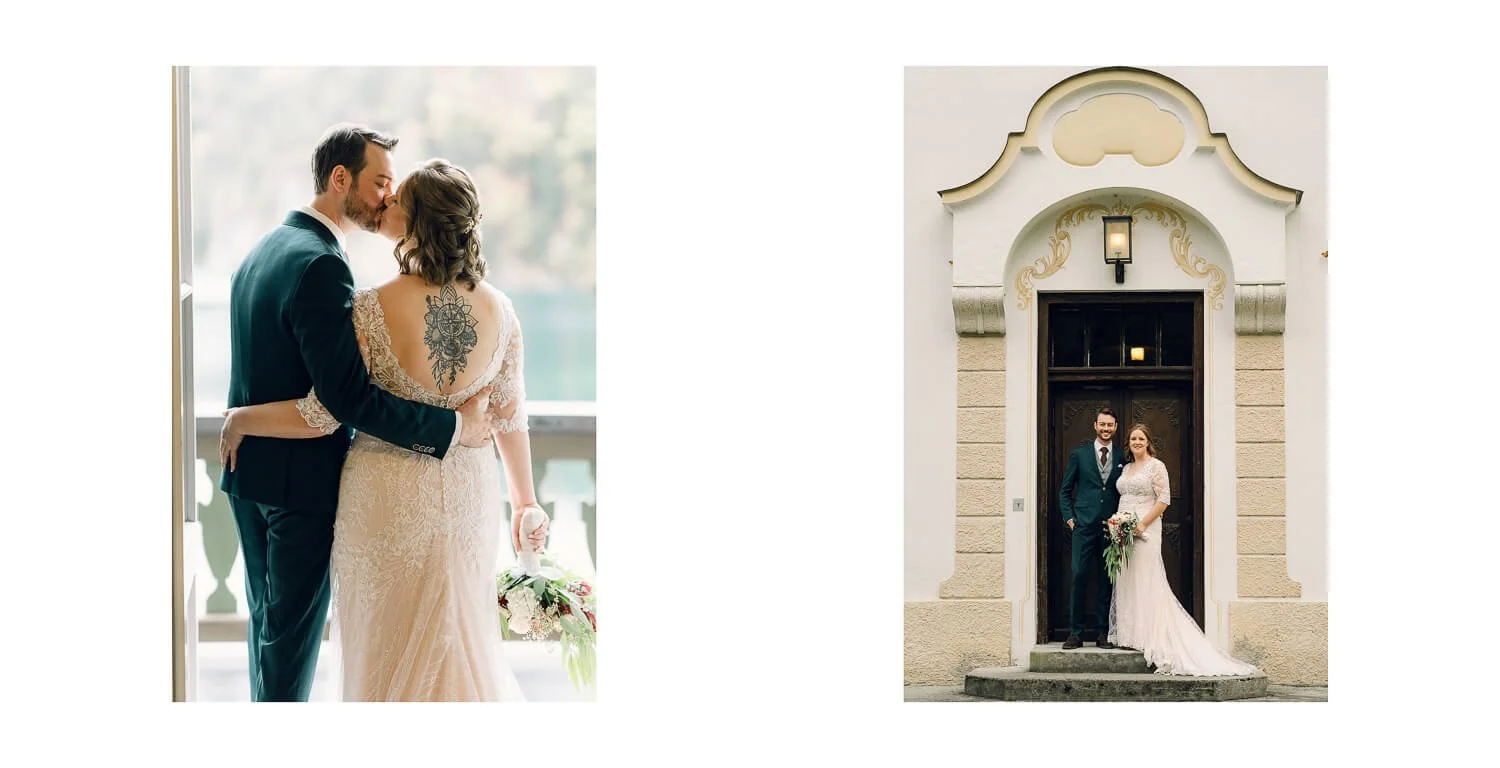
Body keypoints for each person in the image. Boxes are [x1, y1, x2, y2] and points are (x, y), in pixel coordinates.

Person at [218, 124, 500, 702]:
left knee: (269, 642)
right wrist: (453, 427)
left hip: (251, 476)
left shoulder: (266, 248)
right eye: (379, 183)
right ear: (340, 178)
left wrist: (241, 419)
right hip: (297, 488)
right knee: (288, 655)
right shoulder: (322, 264)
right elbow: (346, 399)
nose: (386, 198)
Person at [1108, 423, 1258, 676]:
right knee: (1128, 578)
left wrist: (1141, 524)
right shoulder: (1127, 468)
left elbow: (1164, 499)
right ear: (1129, 443)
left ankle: (1150, 634)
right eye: (1133, 438)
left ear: (1148, 441)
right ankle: (1130, 633)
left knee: (1147, 579)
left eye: (1141, 438)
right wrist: (1118, 522)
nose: (1136, 442)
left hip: (1145, 528)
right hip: (1123, 527)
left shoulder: (1157, 466)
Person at [1057, 407, 1124, 650]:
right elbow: (1065, 490)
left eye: (1110, 425)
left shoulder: (1120, 456)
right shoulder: (1079, 455)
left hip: (1111, 527)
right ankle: (1075, 633)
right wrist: (1070, 518)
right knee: (1078, 575)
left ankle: (1102, 633)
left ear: (1115, 427)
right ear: (1095, 426)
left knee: (1107, 579)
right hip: (1083, 525)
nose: (1106, 429)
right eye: (1102, 424)